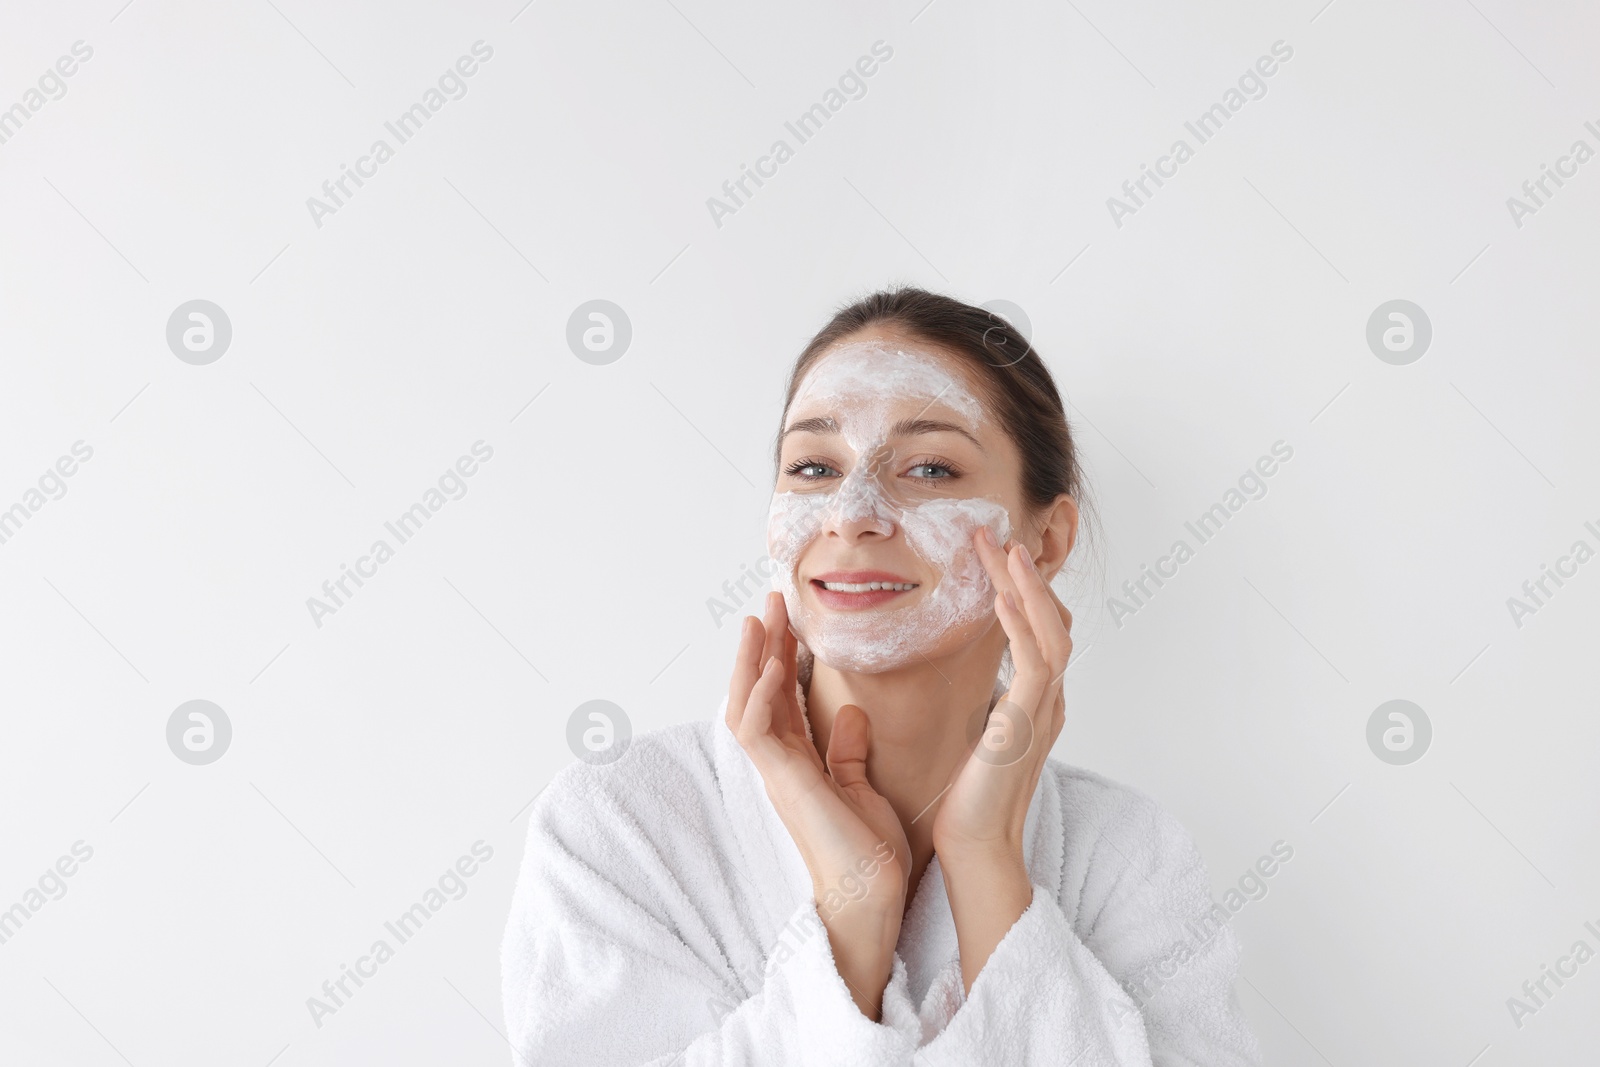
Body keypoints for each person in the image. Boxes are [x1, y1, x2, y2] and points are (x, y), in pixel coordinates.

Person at [501, 286, 1262, 1064]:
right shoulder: (620, 829)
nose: (851, 510)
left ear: (1049, 539)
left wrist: (988, 860)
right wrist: (850, 926)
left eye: (930, 466)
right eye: (813, 466)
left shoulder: (1129, 857)